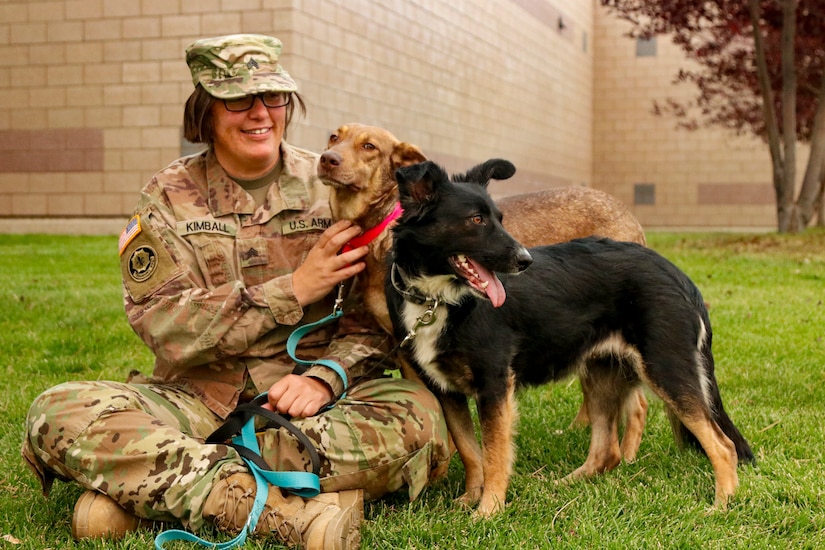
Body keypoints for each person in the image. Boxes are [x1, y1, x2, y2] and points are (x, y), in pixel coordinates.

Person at [21, 34, 451, 549]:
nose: (260, 114)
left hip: (314, 408)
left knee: (420, 416)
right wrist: (292, 288)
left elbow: (379, 319)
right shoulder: (167, 197)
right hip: (195, 399)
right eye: (238, 100)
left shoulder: (340, 184)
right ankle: (275, 509)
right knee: (57, 411)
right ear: (206, 110)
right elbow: (164, 326)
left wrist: (326, 376)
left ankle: (149, 488)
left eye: (273, 98)